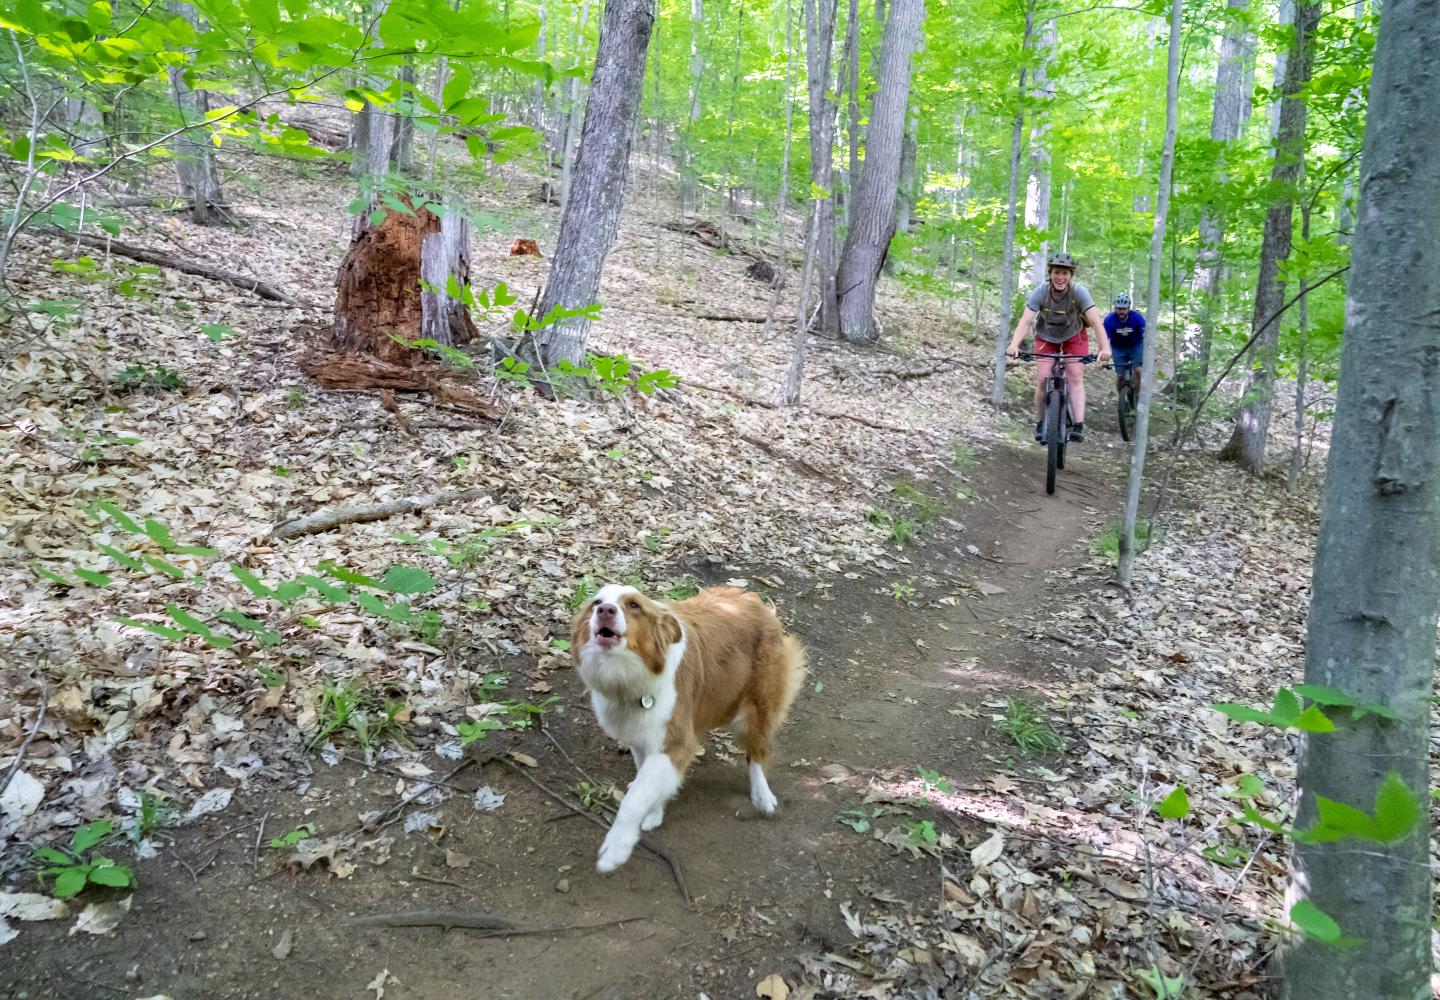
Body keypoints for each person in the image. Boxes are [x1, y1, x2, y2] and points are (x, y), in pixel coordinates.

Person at [1005, 251, 1111, 443]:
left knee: (1075, 376)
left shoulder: (1079, 292)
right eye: (1056, 272)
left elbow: (1096, 322)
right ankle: (1040, 422)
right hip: (1046, 335)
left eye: (1065, 273)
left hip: (1074, 336)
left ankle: (1078, 424)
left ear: (1071, 276)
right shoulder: (1041, 292)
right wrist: (1014, 344)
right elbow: (1026, 321)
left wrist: (1105, 348)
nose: (1060, 277)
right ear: (1050, 273)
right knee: (1043, 378)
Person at [1103, 293, 1146, 394]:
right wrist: (1103, 358)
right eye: (1119, 308)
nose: (1121, 311)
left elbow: (1146, 336)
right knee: (1120, 375)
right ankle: (1121, 399)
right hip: (1118, 348)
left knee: (1138, 370)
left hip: (1135, 346)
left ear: (1128, 309)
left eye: (1124, 309)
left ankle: (1137, 396)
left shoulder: (1137, 318)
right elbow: (1105, 339)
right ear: (1115, 308)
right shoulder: (1109, 320)